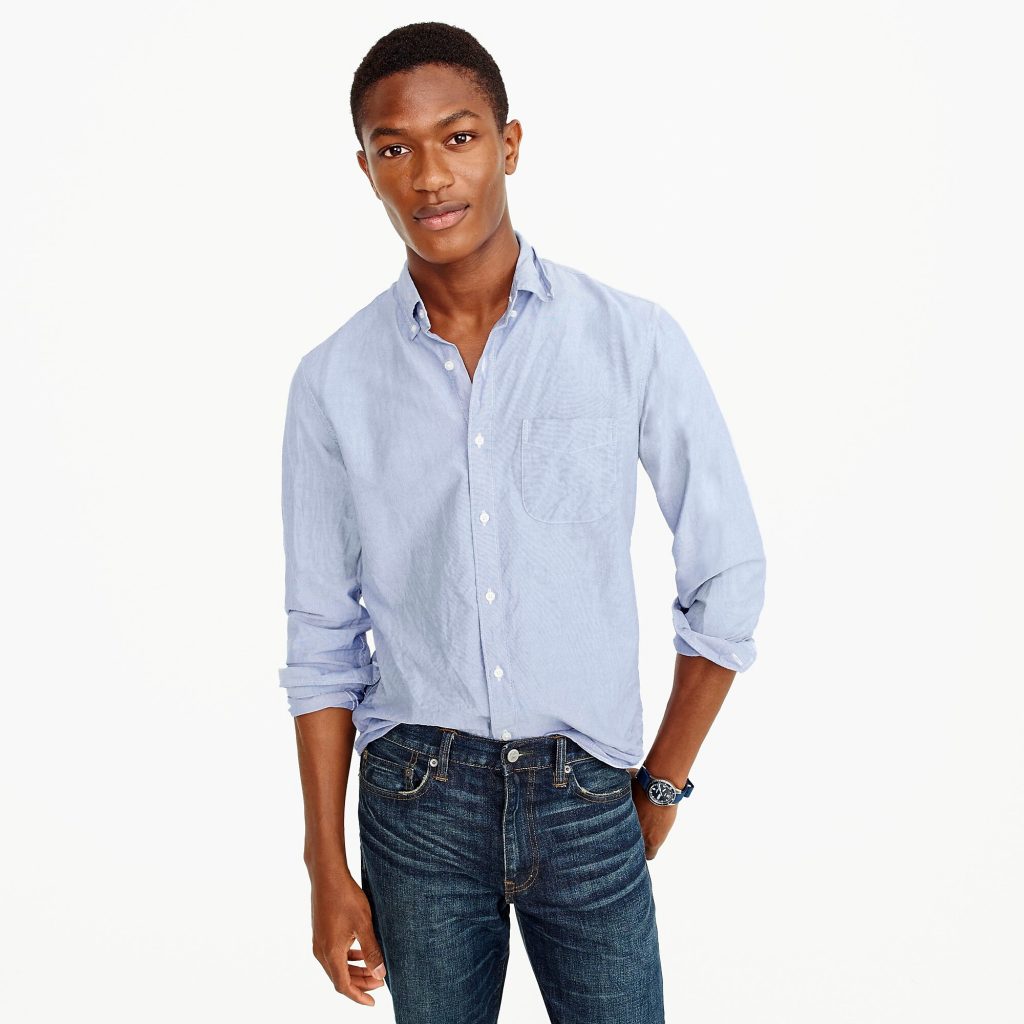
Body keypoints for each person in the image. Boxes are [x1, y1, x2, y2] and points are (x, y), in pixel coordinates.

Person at [278, 21, 766, 1023]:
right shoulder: (334, 380)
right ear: (365, 168)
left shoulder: (629, 339)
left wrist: (660, 786)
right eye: (394, 147)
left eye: (458, 137)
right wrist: (325, 862)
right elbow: (322, 636)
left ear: (508, 144)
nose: (429, 176)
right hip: (416, 799)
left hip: (589, 791)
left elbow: (728, 573)